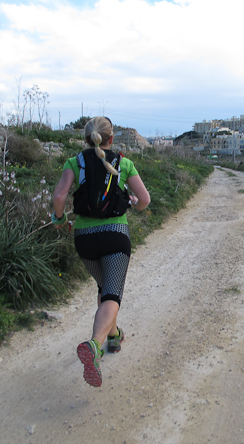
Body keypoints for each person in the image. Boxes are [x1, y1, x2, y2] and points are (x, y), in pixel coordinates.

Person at [51, 117, 150, 387]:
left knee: (105, 288)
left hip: (84, 239)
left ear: (87, 139)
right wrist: (133, 203)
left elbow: (59, 197)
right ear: (111, 138)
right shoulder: (124, 163)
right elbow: (144, 200)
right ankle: (94, 345)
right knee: (112, 294)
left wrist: (60, 219)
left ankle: (114, 336)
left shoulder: (74, 162)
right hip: (115, 236)